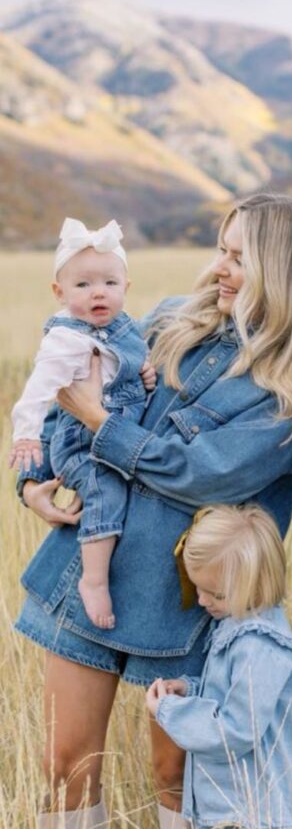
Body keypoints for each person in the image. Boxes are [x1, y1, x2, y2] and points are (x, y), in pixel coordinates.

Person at [14, 193, 292, 829]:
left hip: (192, 592)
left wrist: (100, 424)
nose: (220, 267)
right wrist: (31, 478)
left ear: (283, 271)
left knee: (179, 775)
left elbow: (204, 473)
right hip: (86, 573)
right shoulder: (162, 320)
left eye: (239, 255)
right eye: (221, 248)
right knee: (66, 765)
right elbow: (59, 389)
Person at [146, 503, 292, 829]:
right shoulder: (235, 628)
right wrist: (192, 689)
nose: (201, 602)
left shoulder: (261, 646)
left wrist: (172, 713)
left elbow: (237, 728)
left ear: (245, 587)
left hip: (259, 817)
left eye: (212, 593)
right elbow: (230, 699)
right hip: (227, 809)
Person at [10, 217, 157, 630]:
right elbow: (40, 390)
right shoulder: (66, 339)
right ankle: (93, 581)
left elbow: (127, 367)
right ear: (59, 293)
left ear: (126, 287)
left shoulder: (125, 327)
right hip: (80, 445)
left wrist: (144, 374)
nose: (98, 292)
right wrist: (25, 434)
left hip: (116, 432)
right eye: (83, 285)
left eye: (110, 283)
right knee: (103, 488)